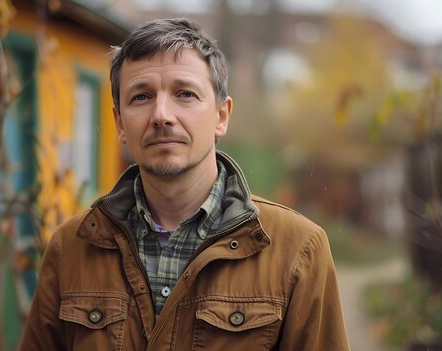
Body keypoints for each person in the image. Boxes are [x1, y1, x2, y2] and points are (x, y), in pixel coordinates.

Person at [19, 18, 350, 350]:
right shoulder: (71, 248)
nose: (162, 115)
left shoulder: (298, 250)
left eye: (185, 94)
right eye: (141, 97)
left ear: (221, 116)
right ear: (120, 123)